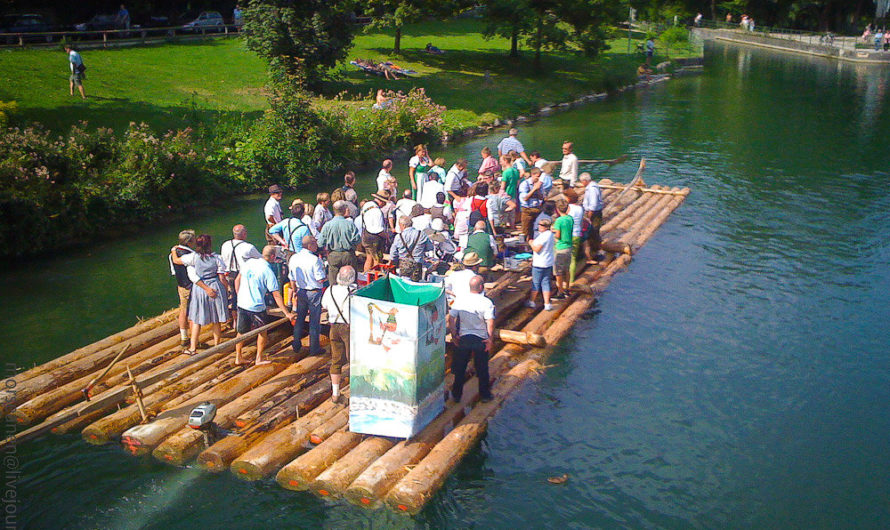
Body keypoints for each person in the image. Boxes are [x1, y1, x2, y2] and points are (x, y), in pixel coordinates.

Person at [234, 246, 294, 365]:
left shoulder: (249, 262)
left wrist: (239, 295)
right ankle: (259, 358)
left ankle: (238, 357)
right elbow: (276, 295)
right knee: (262, 332)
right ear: (272, 257)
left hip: (242, 303)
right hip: (257, 306)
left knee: (241, 332)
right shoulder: (268, 271)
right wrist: (287, 313)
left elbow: (237, 280)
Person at [171, 235, 229, 355]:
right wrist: (226, 290)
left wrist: (173, 251)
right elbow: (222, 277)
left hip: (200, 288)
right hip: (215, 286)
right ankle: (217, 345)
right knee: (216, 319)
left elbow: (176, 261)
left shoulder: (192, 257)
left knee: (196, 319)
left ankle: (193, 348)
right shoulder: (217, 258)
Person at [447, 275, 494, 403]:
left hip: (464, 338)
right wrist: (490, 339)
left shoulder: (460, 300)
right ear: (481, 287)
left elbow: (451, 318)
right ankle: (484, 395)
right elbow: (489, 322)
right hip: (480, 339)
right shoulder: (486, 302)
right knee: (482, 369)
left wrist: (454, 334)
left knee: (460, 369)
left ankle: (456, 395)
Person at [322, 265, 356, 404]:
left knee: (336, 360)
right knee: (353, 360)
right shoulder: (355, 291)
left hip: (334, 326)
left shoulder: (330, 290)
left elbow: (324, 305)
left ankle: (335, 394)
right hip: (349, 327)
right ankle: (356, 394)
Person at [289, 235, 326, 358]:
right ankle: (314, 348)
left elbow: (292, 278)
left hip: (301, 291)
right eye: (315, 243)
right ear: (310, 246)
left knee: (300, 318)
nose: (317, 245)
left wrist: (294, 291)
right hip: (314, 292)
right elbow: (320, 279)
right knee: (314, 321)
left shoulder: (294, 258)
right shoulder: (315, 260)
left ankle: (296, 343)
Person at [220, 224, 262, 319]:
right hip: (242, 275)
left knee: (234, 296)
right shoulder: (248, 247)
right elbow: (261, 258)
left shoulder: (225, 245)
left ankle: (235, 319)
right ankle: (248, 317)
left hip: (229, 274)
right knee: (246, 295)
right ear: (244, 234)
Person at [318, 199, 360, 286]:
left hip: (333, 254)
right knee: (351, 280)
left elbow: (320, 243)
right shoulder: (350, 224)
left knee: (333, 282)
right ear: (345, 209)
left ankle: (334, 296)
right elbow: (357, 240)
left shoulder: (327, 225)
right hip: (348, 254)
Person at [169, 229, 196, 347]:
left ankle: (184, 337)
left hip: (181, 285)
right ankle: (195, 340)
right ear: (189, 242)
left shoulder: (172, 254)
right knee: (193, 313)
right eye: (194, 239)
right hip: (191, 286)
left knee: (183, 310)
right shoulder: (191, 255)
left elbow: (174, 271)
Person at [389, 215, 432, 281]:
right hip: (417, 263)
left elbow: (393, 254)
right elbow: (429, 248)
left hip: (404, 263)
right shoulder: (421, 234)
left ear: (403, 225)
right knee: (416, 284)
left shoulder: (398, 237)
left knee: (404, 283)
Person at [528, 218, 555, 311]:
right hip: (548, 262)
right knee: (546, 282)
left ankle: (531, 301)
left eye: (540, 225)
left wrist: (531, 243)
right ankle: (547, 303)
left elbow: (537, 249)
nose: (538, 226)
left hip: (539, 263)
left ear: (544, 226)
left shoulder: (544, 236)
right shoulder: (550, 234)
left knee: (536, 283)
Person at [579, 172, 604, 262]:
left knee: (594, 230)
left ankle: (597, 251)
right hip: (591, 211)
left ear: (585, 181)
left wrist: (589, 217)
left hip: (594, 213)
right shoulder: (591, 187)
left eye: (582, 181)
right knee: (592, 231)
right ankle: (593, 248)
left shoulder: (592, 189)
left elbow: (593, 205)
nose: (581, 183)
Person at [361, 191, 388, 271]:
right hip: (375, 239)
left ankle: (366, 276)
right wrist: (387, 237)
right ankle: (376, 278)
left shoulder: (367, 204)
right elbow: (379, 231)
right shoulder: (377, 212)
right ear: (381, 201)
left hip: (366, 235)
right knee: (378, 259)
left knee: (369, 258)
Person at [552, 202, 574, 299]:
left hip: (560, 248)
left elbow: (558, 235)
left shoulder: (559, 221)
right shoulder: (570, 219)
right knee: (566, 270)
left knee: (558, 272)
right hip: (569, 247)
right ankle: (567, 288)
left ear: (557, 209)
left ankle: (560, 292)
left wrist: (553, 232)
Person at [563, 188, 585, 283]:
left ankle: (564, 279)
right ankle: (571, 280)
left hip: (568, 235)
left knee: (564, 258)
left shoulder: (568, 209)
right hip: (577, 234)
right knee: (573, 259)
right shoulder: (580, 209)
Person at [519, 167, 545, 241]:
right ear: (532, 175)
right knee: (526, 230)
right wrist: (534, 189)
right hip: (527, 210)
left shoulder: (539, 185)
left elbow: (541, 198)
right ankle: (524, 245)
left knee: (535, 229)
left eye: (540, 176)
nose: (539, 178)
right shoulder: (525, 184)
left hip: (537, 209)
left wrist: (538, 190)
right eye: (537, 176)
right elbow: (525, 198)